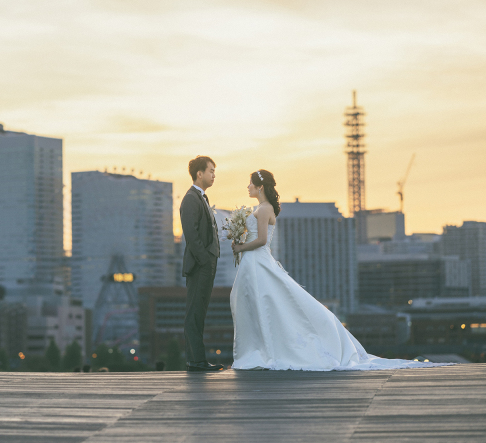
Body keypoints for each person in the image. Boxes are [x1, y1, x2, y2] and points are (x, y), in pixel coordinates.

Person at [229, 169, 448, 370]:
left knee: (270, 302)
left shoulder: (265, 209)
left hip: (258, 260)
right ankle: (260, 349)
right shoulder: (259, 209)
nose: (247, 187)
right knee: (258, 303)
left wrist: (240, 246)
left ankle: (269, 350)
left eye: (250, 184)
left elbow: (261, 240)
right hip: (253, 262)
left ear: (260, 187)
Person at [179, 156, 223, 372]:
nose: (214, 175)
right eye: (211, 171)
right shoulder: (190, 199)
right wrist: (205, 261)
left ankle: (197, 360)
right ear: (199, 174)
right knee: (194, 313)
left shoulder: (201, 198)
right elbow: (191, 234)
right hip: (199, 266)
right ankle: (196, 362)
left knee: (199, 313)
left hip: (206, 265)